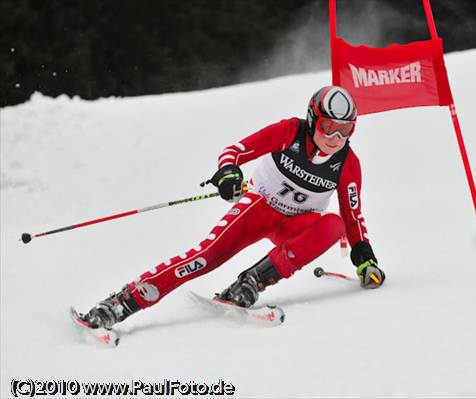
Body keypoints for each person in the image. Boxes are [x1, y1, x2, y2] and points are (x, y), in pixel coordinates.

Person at [80, 85, 385, 329]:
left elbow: (352, 215)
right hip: (260, 209)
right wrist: (229, 173)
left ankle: (251, 282)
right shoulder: (290, 132)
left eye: (346, 130)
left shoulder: (347, 164)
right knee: (205, 257)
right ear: (312, 119)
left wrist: (364, 259)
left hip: (297, 225)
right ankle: (122, 303)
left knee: (334, 225)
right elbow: (234, 152)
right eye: (329, 127)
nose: (335, 138)